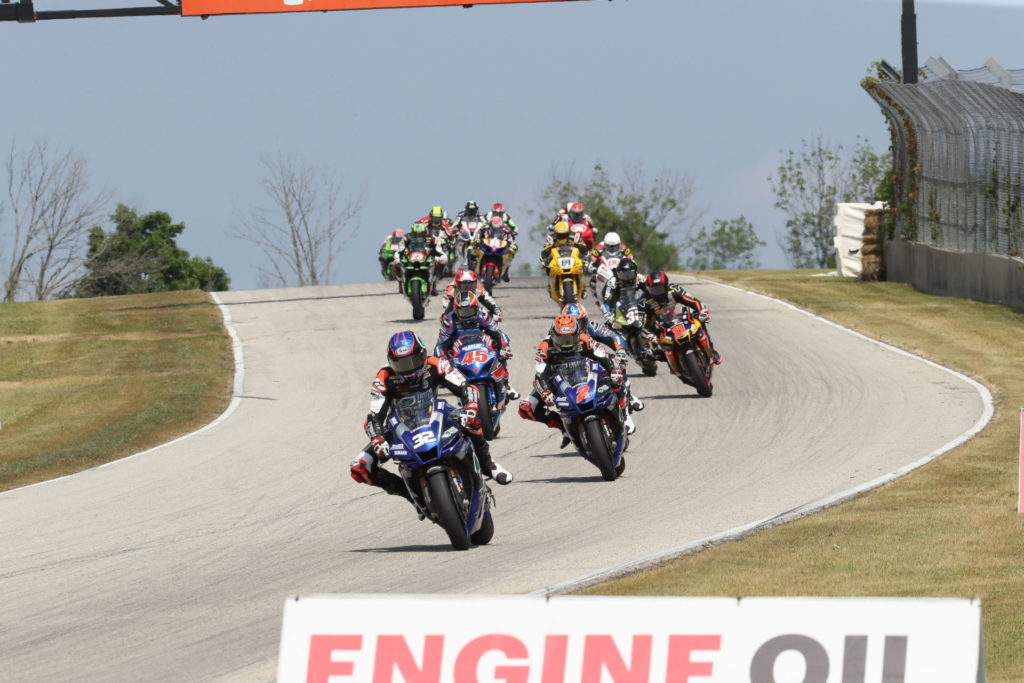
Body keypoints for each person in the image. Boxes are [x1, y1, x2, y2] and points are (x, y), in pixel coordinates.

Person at [350, 331, 513, 505]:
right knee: (359, 467)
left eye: (413, 361)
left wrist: (471, 407)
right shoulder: (383, 377)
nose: (409, 368)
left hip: (438, 413)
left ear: (422, 354)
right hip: (399, 426)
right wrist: (377, 438)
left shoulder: (436, 364)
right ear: (391, 362)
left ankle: (488, 466)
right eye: (402, 364)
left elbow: (465, 386)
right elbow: (374, 415)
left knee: (471, 421)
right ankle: (410, 496)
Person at [518, 314, 633, 450]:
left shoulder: (585, 340)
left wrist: (615, 370)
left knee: (616, 380)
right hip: (557, 381)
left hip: (588, 374)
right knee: (525, 408)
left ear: (578, 334)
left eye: (571, 338)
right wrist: (545, 393)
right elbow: (540, 375)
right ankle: (564, 427)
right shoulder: (544, 348)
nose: (567, 343)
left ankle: (623, 414)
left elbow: (604, 357)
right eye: (562, 339)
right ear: (553, 335)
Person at [435, 291, 519, 400]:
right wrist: (441, 358)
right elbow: (441, 343)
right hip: (459, 348)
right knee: (439, 364)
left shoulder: (482, 314)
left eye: (470, 310)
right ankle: (459, 385)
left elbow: (497, 332)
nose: (467, 314)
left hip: (482, 343)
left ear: (476, 308)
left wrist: (505, 346)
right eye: (463, 311)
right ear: (456, 310)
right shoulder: (449, 320)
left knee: (500, 348)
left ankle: (505, 382)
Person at [561, 302, 644, 413]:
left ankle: (628, 395)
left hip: (594, 362)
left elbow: (613, 336)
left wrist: (620, 351)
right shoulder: (557, 334)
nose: (577, 327)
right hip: (572, 368)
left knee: (616, 361)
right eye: (573, 323)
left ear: (585, 321)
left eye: (579, 323)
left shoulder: (591, 327)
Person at [639, 271, 721, 365]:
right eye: (654, 290)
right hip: (660, 324)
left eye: (660, 289)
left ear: (666, 285)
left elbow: (693, 301)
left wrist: (702, 312)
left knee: (698, 317)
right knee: (649, 352)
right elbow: (643, 324)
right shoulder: (644, 301)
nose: (657, 293)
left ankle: (711, 349)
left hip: (678, 316)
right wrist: (649, 336)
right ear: (648, 290)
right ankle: (667, 358)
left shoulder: (674, 289)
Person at [394, 222, 448, 295]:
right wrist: (397, 258)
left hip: (426, 257)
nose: (418, 236)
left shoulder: (431, 238)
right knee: (396, 264)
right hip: (410, 257)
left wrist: (441, 257)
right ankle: (400, 283)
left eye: (421, 234)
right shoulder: (406, 238)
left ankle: (434, 285)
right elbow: (400, 249)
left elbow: (438, 249)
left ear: (425, 232)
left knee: (438, 264)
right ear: (412, 231)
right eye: (416, 234)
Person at [439, 269, 504, 321]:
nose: (467, 289)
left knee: (495, 331)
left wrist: (497, 312)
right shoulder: (451, 291)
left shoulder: (479, 290)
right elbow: (445, 309)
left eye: (470, 286)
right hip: (457, 320)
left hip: (476, 319)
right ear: (457, 284)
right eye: (463, 286)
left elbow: (491, 302)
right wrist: (444, 317)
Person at [588, 231, 633, 296]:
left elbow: (631, 260)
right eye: (609, 247)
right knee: (593, 279)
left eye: (615, 247)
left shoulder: (625, 249)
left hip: (620, 271)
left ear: (619, 244)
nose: (612, 249)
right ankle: (596, 297)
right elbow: (592, 263)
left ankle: (632, 296)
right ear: (605, 245)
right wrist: (593, 267)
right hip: (605, 272)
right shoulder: (598, 250)